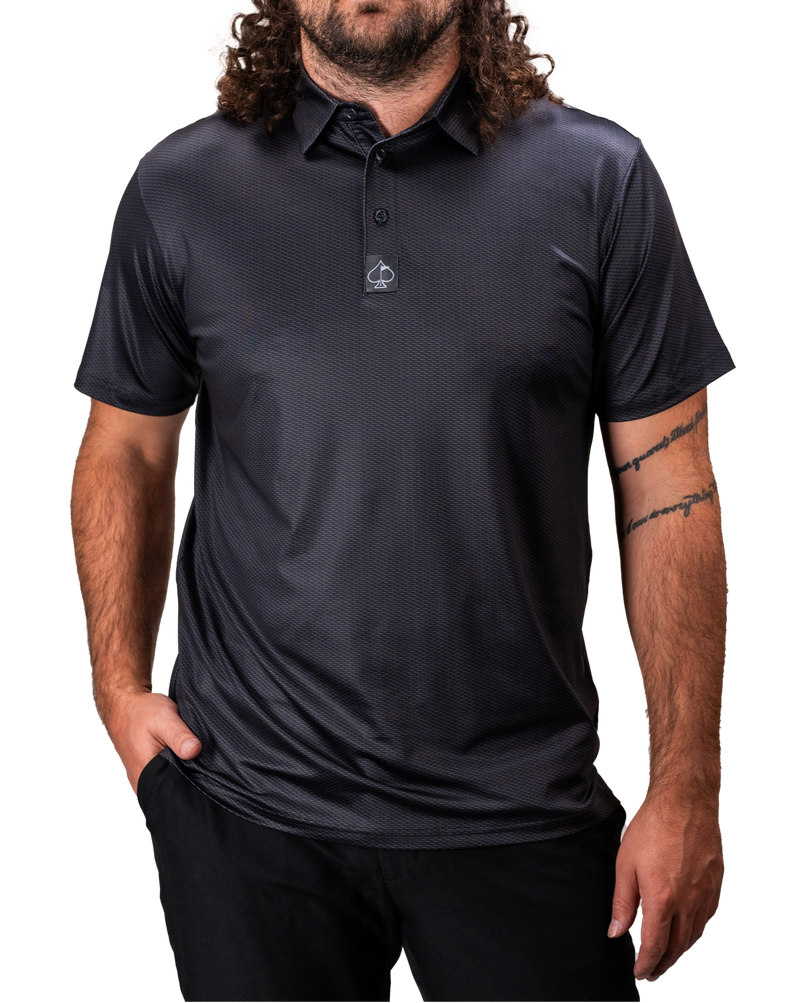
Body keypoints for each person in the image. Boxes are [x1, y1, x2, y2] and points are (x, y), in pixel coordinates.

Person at [68, 2, 736, 1000]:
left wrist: (686, 786)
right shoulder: (180, 186)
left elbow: (672, 489)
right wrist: (119, 691)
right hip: (250, 807)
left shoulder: (601, 179)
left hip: (524, 807)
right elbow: (124, 447)